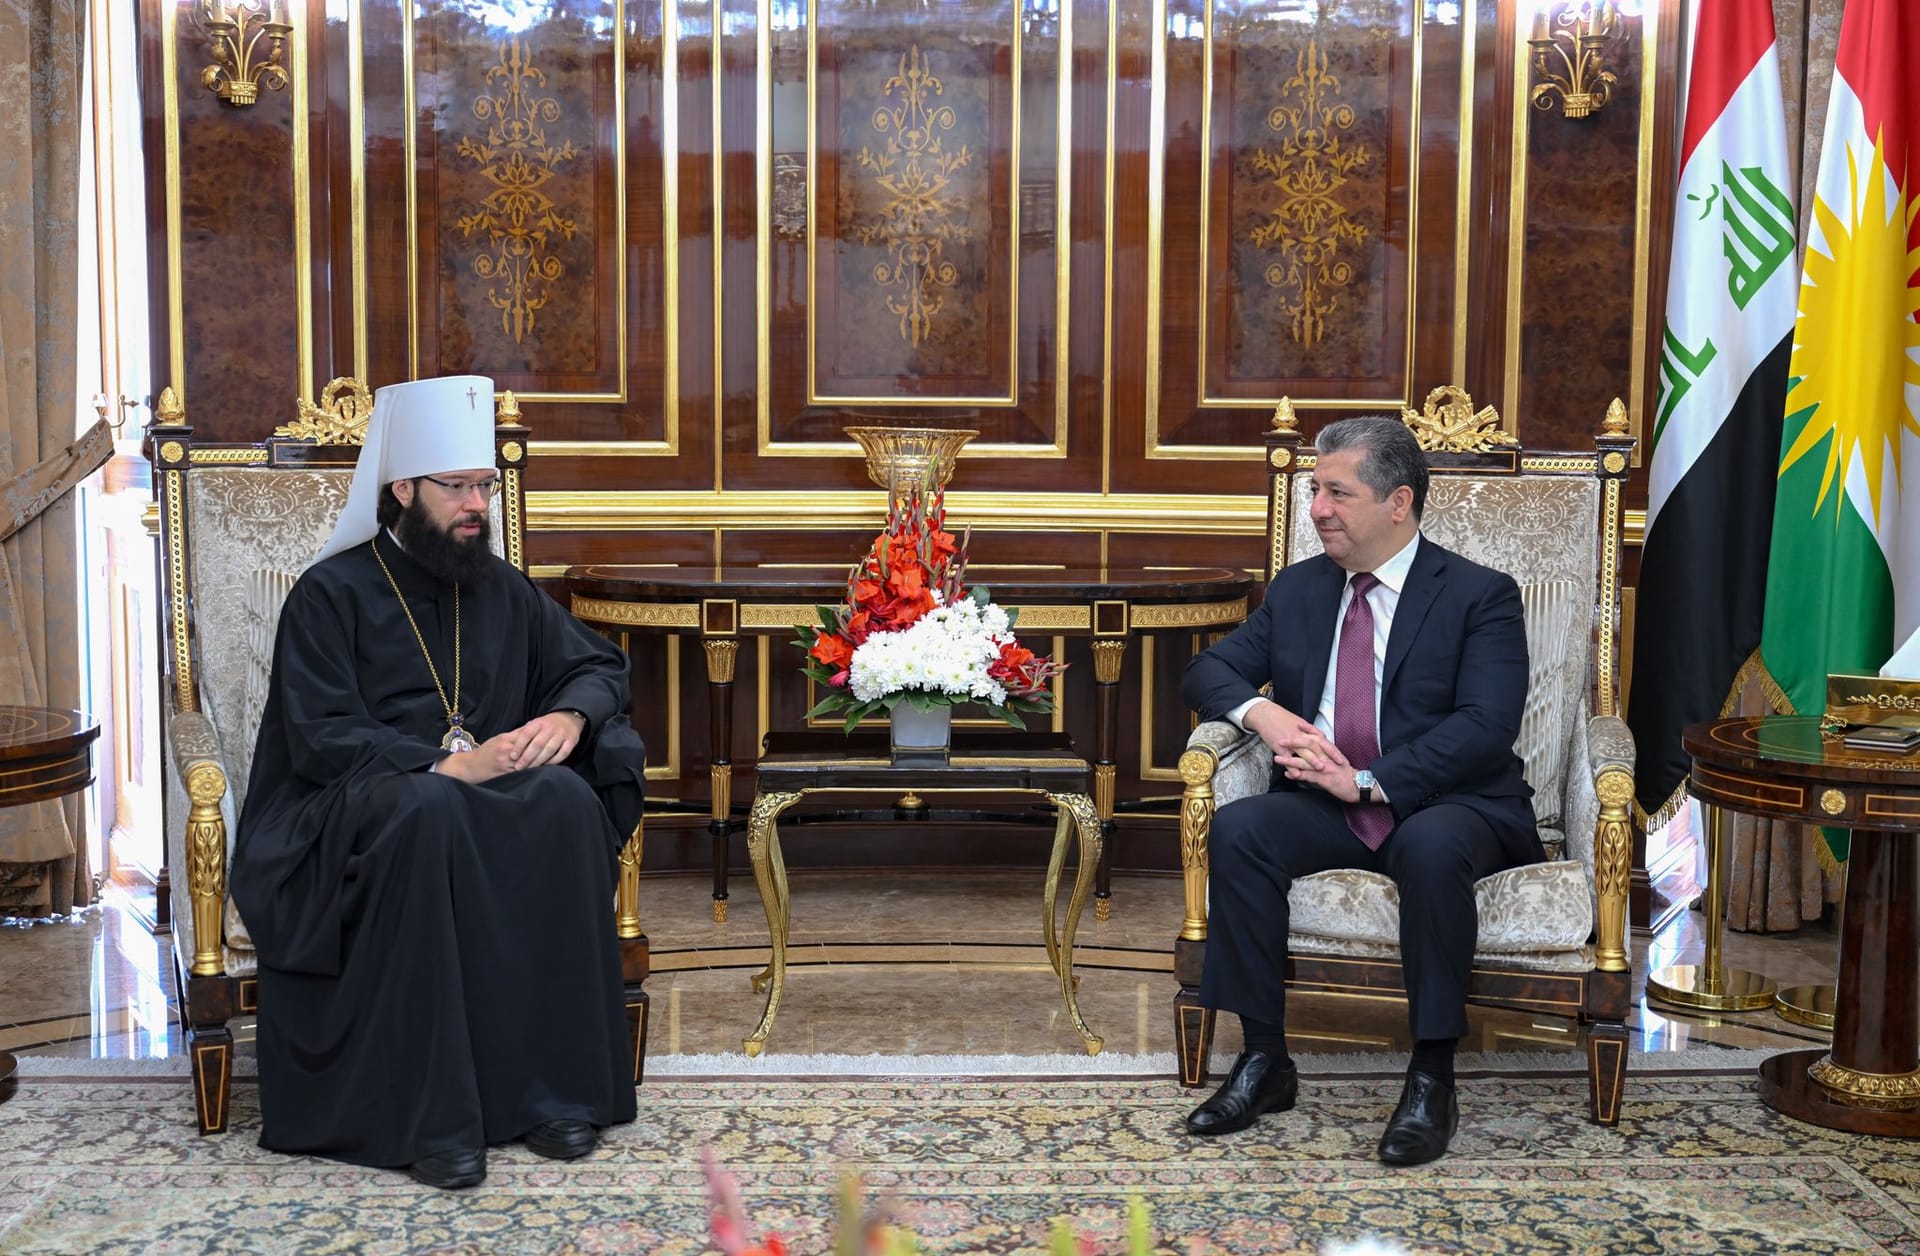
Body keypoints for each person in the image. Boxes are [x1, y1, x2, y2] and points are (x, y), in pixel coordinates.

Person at [232, 375, 647, 1190]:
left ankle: (553, 1095)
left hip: (479, 792)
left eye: (484, 487)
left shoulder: (500, 587)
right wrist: (444, 764)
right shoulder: (329, 594)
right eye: (456, 487)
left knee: (564, 800)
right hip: (356, 802)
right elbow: (319, 734)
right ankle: (428, 1118)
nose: (476, 507)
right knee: (428, 810)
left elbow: (597, 666)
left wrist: (570, 718)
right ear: (402, 489)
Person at [1179, 415, 1538, 1167]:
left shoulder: (1480, 595)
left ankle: (1432, 1078)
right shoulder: (1301, 589)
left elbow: (1484, 727)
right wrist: (1263, 715)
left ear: (1398, 502)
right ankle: (1265, 1060)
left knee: (1430, 847)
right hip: (1325, 806)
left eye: (1337, 493)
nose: (1316, 509)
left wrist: (1370, 781)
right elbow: (1207, 671)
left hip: (1449, 803)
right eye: (1315, 491)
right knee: (1241, 829)